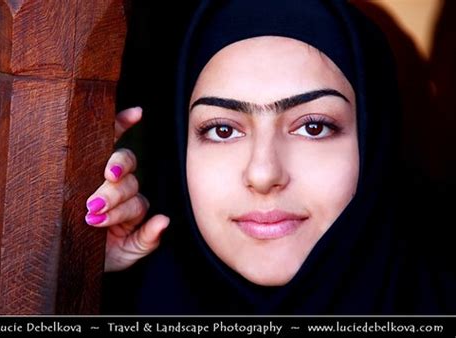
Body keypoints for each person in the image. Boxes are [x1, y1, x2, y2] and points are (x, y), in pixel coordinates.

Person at [86, 0, 456, 314]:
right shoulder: (116, 304)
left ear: (374, 142)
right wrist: (74, 274)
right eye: (222, 130)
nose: (263, 174)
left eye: (313, 127)